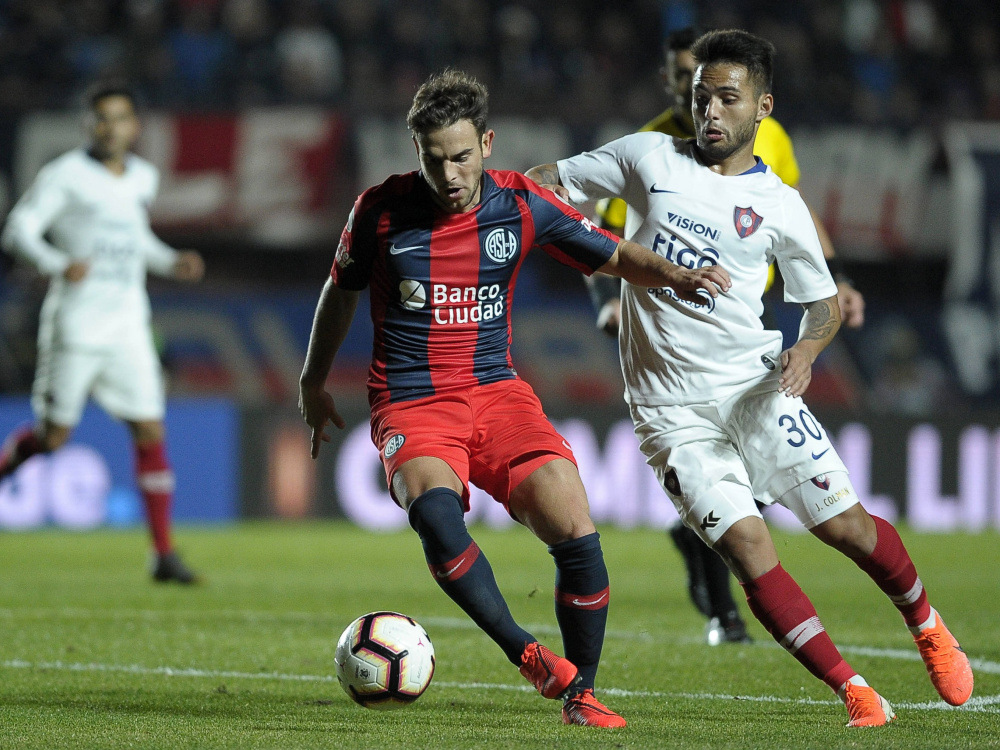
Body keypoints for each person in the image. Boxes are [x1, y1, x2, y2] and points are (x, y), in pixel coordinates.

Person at [526, 29, 972, 727]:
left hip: (756, 388)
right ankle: (853, 691)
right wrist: (498, 188)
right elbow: (553, 179)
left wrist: (808, 350)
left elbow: (820, 303)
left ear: (762, 106)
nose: (709, 111)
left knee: (847, 528)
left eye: (726, 98)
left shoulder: (780, 204)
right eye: (702, 96)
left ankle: (925, 621)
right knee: (744, 545)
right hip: (671, 411)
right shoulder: (647, 155)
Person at [298, 68, 729, 728]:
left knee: (573, 522)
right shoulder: (379, 211)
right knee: (436, 518)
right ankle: (525, 653)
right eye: (435, 159)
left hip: (498, 394)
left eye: (462, 157)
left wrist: (676, 275)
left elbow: (612, 255)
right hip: (412, 402)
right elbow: (340, 291)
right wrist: (312, 381)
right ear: (416, 152)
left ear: (488, 144)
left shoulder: (521, 203)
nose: (450, 175)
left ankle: (581, 694)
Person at [588, 27, 867, 647]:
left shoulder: (769, 142)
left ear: (756, 99)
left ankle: (711, 576)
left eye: (711, 82)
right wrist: (608, 300)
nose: (698, 95)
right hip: (673, 321)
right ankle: (726, 611)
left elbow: (792, 208)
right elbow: (597, 230)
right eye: (683, 78)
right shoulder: (652, 147)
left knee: (752, 487)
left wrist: (835, 278)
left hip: (747, 315)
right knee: (726, 498)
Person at [0, 82, 204, 584]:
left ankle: (163, 554)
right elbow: (18, 230)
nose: (109, 127)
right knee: (53, 437)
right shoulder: (65, 175)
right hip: (75, 326)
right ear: (88, 125)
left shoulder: (142, 176)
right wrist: (56, 262)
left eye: (119, 118)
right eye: (100, 118)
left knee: (151, 429)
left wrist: (169, 260)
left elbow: (134, 239)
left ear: (135, 126)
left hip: (128, 326)